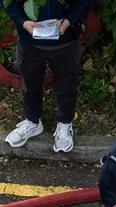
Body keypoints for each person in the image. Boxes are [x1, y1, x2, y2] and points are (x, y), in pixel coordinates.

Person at [2, 0, 94, 152]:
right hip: (29, 41)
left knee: (67, 85)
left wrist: (69, 20)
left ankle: (65, 123)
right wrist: (22, 21)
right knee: (30, 84)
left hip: (65, 41)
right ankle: (32, 121)